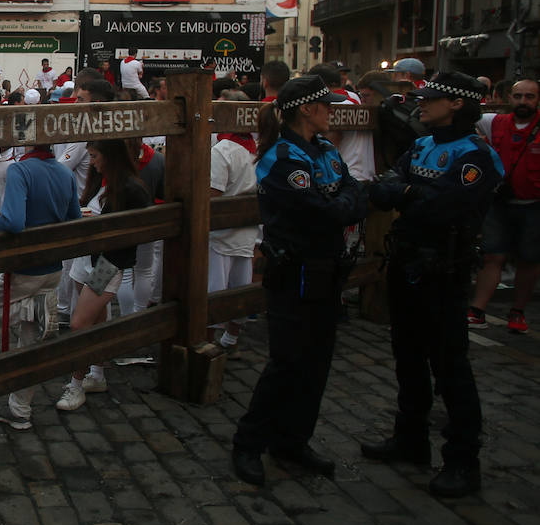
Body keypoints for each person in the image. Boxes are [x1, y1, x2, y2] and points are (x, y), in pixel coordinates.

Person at [362, 73, 501, 498]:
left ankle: (463, 459)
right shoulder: (422, 144)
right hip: (407, 262)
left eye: (431, 99)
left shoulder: (476, 155)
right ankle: (411, 438)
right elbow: (385, 189)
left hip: (444, 270)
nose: (421, 105)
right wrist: (407, 191)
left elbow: (441, 205)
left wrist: (403, 191)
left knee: (450, 366)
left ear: (457, 104)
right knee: (407, 355)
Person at [231, 76, 368, 486]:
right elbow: (322, 210)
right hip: (294, 272)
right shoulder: (283, 156)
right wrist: (345, 204)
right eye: (326, 105)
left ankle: (293, 440)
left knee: (317, 362)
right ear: (306, 109)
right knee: (287, 362)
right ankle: (248, 443)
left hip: (327, 270)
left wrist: (344, 203)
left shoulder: (324, 149)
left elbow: (351, 190)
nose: (332, 111)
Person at [0, 141, 81, 429]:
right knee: (30, 345)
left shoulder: (20, 170)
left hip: (23, 269)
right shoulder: (65, 173)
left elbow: (14, 222)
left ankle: (32, 310)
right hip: (52, 267)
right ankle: (20, 411)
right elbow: (75, 219)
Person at [56, 139, 154, 410]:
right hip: (89, 258)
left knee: (79, 323)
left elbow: (130, 231)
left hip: (105, 264)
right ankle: (96, 373)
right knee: (95, 319)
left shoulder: (130, 189)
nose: (93, 162)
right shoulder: (105, 182)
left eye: (95, 156)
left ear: (110, 156)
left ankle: (76, 383)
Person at [470, 78, 540, 332]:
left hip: (534, 205)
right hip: (500, 202)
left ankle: (518, 311)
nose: (523, 101)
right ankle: (477, 310)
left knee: (529, 260)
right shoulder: (494, 122)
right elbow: (466, 116)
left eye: (529, 97)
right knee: (492, 255)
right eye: (518, 96)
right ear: (509, 98)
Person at [208, 100, 258, 355]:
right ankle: (231, 338)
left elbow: (213, 194)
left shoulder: (223, 150)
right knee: (241, 283)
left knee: (214, 287)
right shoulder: (256, 148)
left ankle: (207, 340)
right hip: (247, 229)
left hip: (221, 232)